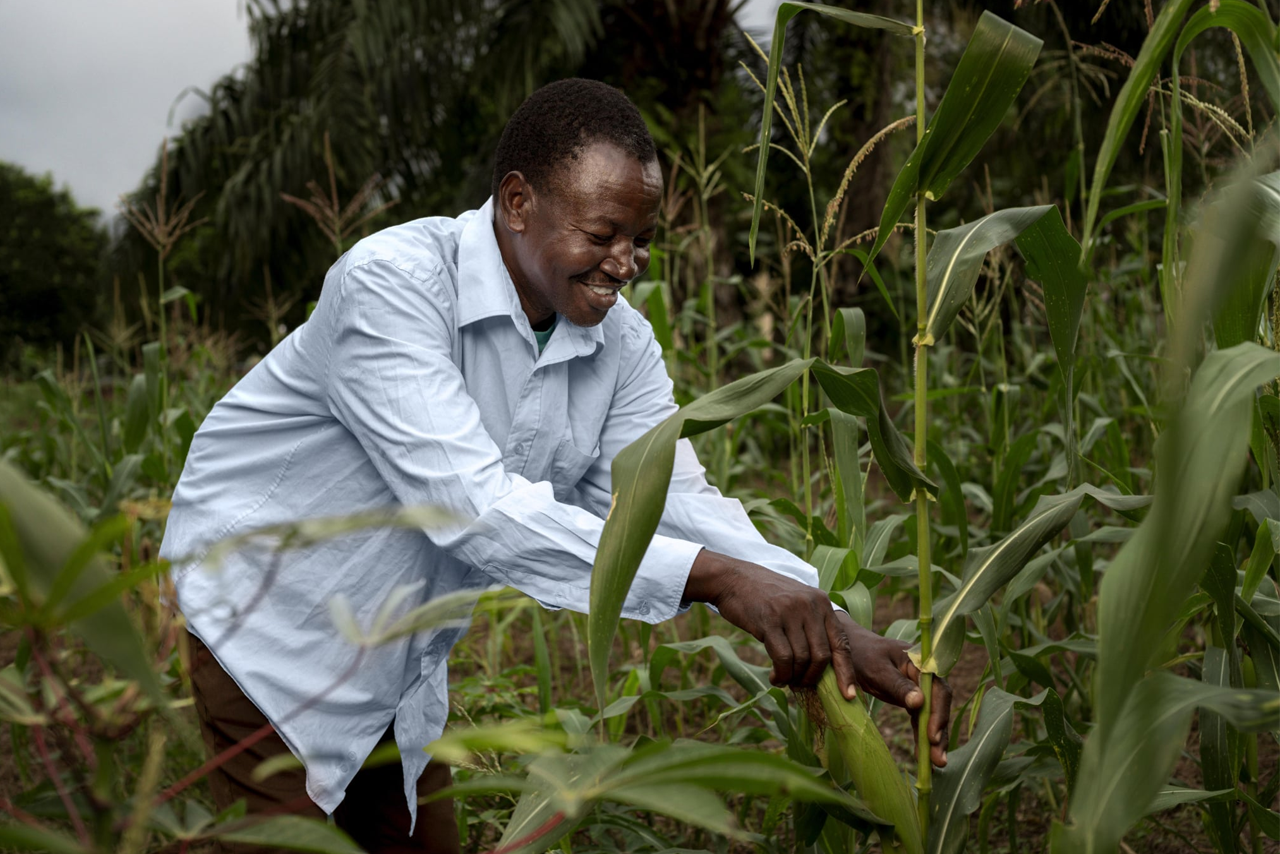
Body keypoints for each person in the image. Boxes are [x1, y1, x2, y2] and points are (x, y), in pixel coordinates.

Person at [160, 78, 951, 854]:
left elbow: (674, 500)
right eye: (603, 234)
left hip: (398, 659)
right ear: (516, 202)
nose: (625, 263)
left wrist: (834, 622)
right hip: (271, 621)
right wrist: (719, 581)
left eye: (641, 241)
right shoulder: (391, 286)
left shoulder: (623, 344)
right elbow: (473, 512)